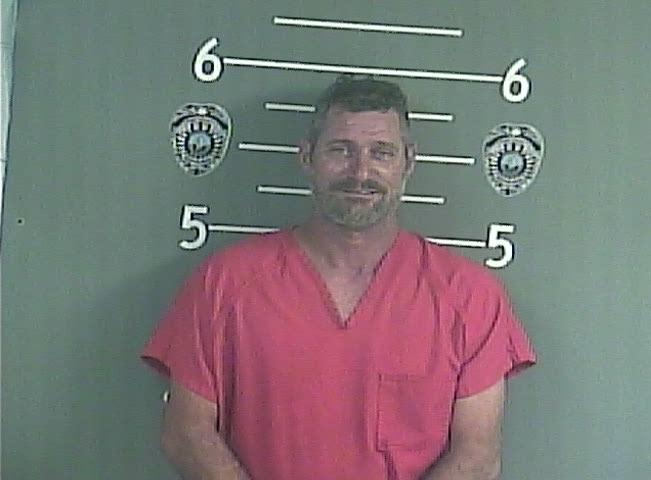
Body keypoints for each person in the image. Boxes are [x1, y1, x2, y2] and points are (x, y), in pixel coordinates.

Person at [141, 76, 537, 480]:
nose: (360, 172)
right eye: (340, 150)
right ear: (307, 156)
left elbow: (477, 456)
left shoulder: (470, 296)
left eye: (381, 152)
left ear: (408, 162)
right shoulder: (222, 283)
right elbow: (186, 434)